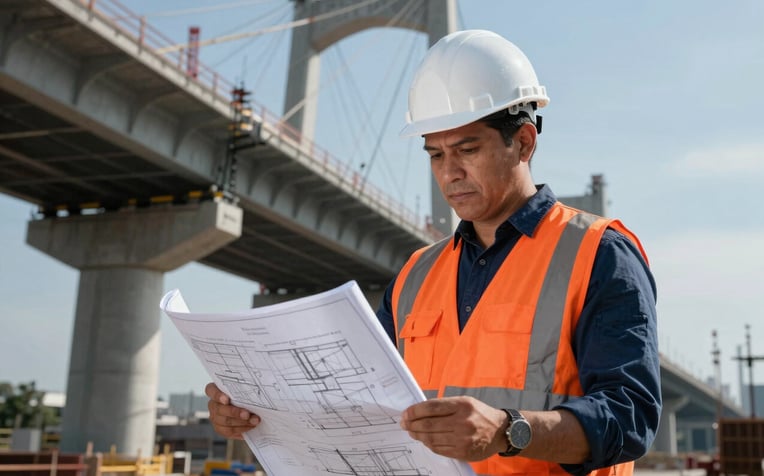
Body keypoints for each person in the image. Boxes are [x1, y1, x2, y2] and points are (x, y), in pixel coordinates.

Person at [205, 29, 661, 476]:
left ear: (523, 141)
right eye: (435, 155)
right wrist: (258, 413)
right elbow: (360, 400)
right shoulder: (415, 275)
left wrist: (508, 429)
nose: (450, 174)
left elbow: (630, 417)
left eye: (467, 149)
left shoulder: (598, 254)